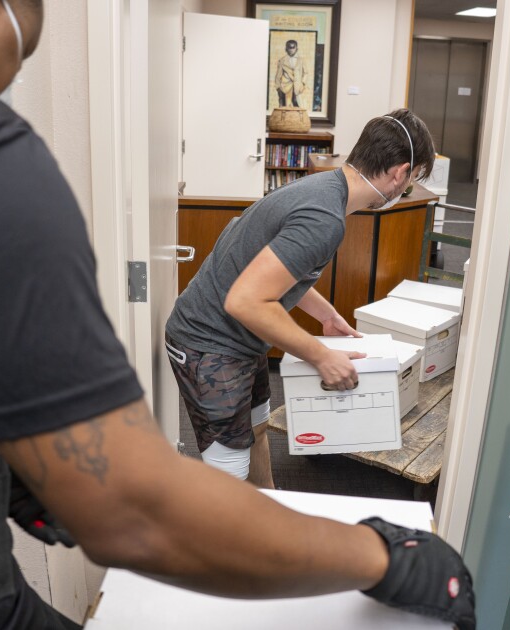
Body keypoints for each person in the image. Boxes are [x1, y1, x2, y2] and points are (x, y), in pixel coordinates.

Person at [0, 2, 474, 629]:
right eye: (23, 50)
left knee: (246, 444)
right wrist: (383, 554)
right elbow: (133, 512)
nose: (8, 78)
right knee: (221, 466)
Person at [164, 110, 435, 486]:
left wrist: (326, 314)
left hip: (242, 340)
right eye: (410, 182)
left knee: (257, 430)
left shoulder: (322, 189)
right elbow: (246, 301)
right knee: (228, 473)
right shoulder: (325, 218)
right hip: (208, 343)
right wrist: (321, 355)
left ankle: (270, 507)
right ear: (400, 173)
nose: (403, 190)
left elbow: (272, 270)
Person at [275, 39, 308, 108]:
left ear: (297, 49)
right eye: (289, 47)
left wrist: (303, 83)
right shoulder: (282, 60)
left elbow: (305, 73)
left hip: (297, 86)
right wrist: (278, 87)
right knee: (284, 106)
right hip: (285, 87)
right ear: (286, 49)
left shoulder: (301, 60)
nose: (291, 49)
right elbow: (278, 75)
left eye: (293, 47)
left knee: (298, 105)